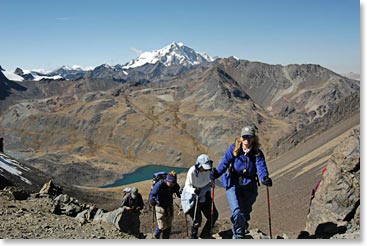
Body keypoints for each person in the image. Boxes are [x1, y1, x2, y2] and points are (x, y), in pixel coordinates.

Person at [210, 126, 273, 239]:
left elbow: (261, 167)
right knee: (237, 211)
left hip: (249, 185)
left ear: (254, 138)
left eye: (249, 137)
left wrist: (264, 178)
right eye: (245, 137)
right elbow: (224, 163)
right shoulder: (233, 149)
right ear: (241, 137)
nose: (247, 140)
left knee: (245, 213)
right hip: (233, 183)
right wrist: (216, 173)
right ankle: (238, 236)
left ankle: (241, 229)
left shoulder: (257, 153)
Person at [181, 154, 219, 239]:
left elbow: (212, 180)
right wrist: (194, 190)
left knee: (213, 215)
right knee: (196, 220)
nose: (205, 169)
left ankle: (204, 236)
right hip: (193, 196)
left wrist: (214, 180)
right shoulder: (192, 171)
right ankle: (193, 238)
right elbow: (187, 186)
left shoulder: (209, 170)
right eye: (203, 167)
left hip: (205, 194)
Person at [149, 171, 181, 239]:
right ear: (167, 180)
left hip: (169, 206)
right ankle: (156, 235)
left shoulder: (175, 186)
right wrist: (151, 201)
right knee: (162, 226)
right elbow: (152, 194)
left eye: (174, 182)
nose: (172, 184)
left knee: (169, 225)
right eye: (171, 182)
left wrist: (181, 194)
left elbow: (178, 193)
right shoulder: (159, 184)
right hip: (160, 207)